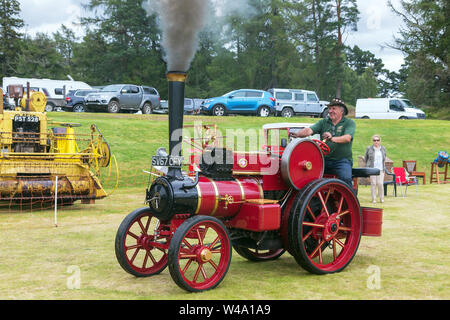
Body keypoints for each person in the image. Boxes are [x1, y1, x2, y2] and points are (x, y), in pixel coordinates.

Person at [291, 98, 355, 188]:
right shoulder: (324, 122)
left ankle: (348, 201)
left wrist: (332, 138)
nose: (330, 111)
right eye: (330, 108)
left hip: (341, 161)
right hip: (324, 160)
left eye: (334, 109)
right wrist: (298, 134)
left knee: (345, 178)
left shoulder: (349, 123)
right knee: (308, 175)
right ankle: (312, 198)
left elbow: (347, 138)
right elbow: (309, 130)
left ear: (342, 111)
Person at [364, 134, 386, 203]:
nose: (376, 142)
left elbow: (384, 158)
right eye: (374, 140)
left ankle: (381, 198)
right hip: (372, 169)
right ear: (372, 141)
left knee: (380, 184)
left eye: (377, 140)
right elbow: (365, 158)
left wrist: (384, 168)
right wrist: (368, 167)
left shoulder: (383, 149)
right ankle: (374, 199)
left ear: (380, 141)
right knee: (373, 184)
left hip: (381, 169)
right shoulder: (369, 149)